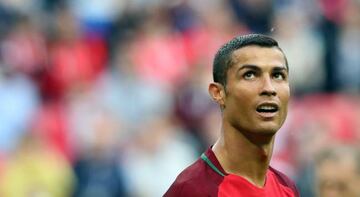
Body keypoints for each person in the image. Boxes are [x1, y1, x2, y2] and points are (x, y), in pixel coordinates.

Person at [164, 34, 299, 196]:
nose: (269, 88)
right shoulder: (193, 190)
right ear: (218, 93)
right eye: (250, 75)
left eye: (277, 75)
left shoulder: (286, 187)